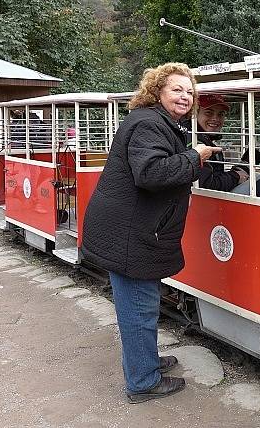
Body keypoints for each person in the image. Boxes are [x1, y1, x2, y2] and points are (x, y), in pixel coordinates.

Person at [81, 63, 221, 404]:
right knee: (138, 311)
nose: (185, 96)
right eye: (177, 89)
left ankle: (146, 363)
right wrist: (194, 157)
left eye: (190, 91)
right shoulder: (148, 123)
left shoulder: (156, 122)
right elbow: (151, 174)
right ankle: (142, 382)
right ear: (157, 90)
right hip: (131, 236)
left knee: (141, 306)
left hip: (131, 231)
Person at [191, 94, 249, 191]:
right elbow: (205, 186)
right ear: (195, 114)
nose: (215, 118)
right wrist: (235, 176)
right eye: (209, 113)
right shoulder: (194, 142)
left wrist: (233, 174)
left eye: (220, 114)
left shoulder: (206, 140)